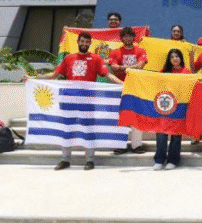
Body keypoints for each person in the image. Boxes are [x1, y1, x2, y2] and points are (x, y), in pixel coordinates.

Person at [23, 32, 124, 170]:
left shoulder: (96, 59)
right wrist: (33, 78)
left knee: (89, 130)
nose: (84, 44)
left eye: (87, 42)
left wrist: (123, 85)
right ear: (78, 42)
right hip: (69, 99)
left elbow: (107, 75)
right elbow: (53, 75)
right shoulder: (69, 58)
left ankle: (89, 160)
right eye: (82, 41)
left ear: (90, 43)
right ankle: (65, 160)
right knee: (67, 129)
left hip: (88, 101)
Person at [108, 26, 148, 155]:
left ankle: (137, 145)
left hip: (137, 87)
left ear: (133, 37)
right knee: (121, 115)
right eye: (125, 36)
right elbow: (114, 68)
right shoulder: (115, 52)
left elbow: (140, 66)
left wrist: (122, 67)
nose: (128, 38)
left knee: (137, 114)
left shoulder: (141, 50)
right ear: (121, 38)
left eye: (130, 36)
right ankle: (120, 144)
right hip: (121, 86)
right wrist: (132, 67)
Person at [154, 49, 189, 170]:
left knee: (176, 135)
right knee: (162, 133)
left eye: (177, 56)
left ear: (181, 58)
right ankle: (159, 159)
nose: (175, 59)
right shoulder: (163, 72)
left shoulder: (186, 72)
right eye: (172, 57)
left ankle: (173, 160)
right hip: (165, 106)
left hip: (180, 106)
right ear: (169, 59)